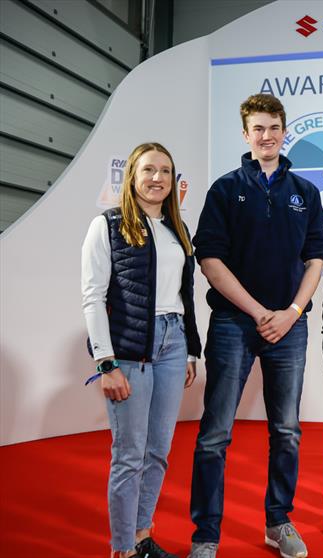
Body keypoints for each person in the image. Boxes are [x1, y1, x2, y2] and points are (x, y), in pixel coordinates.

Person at [189, 94, 323, 558]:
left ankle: (278, 522)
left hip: (290, 326)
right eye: (257, 129)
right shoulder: (225, 189)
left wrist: (290, 312)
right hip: (233, 323)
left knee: (286, 430)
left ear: (284, 130)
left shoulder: (305, 192)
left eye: (273, 127)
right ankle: (206, 535)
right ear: (245, 134)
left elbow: (316, 259)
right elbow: (209, 260)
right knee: (215, 433)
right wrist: (256, 312)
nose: (266, 136)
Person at [81, 142, 201, 558]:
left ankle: (140, 537)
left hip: (173, 344)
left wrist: (190, 351)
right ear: (132, 175)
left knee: (158, 452)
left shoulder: (176, 230)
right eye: (149, 170)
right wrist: (105, 362)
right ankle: (122, 550)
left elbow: (184, 295)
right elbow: (93, 297)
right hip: (130, 349)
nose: (157, 178)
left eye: (165, 171)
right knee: (129, 454)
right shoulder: (108, 225)